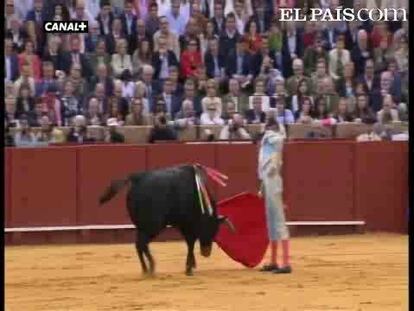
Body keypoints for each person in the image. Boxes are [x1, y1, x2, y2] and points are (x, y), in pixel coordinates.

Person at [258, 118, 291, 274]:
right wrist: (262, 186)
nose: (268, 131)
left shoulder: (273, 139)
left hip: (273, 181)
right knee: (272, 223)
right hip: (268, 182)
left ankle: (285, 263)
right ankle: (274, 261)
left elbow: (280, 141)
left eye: (270, 128)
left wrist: (276, 132)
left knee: (278, 221)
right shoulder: (267, 144)